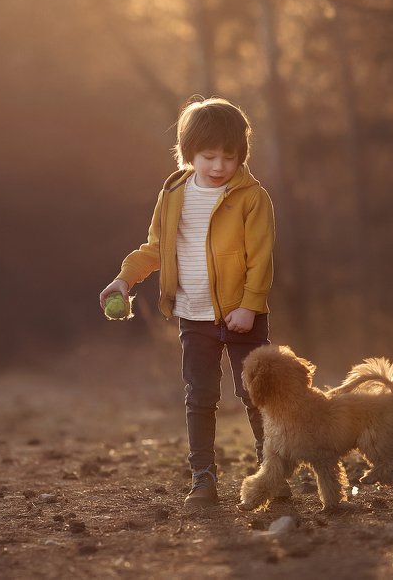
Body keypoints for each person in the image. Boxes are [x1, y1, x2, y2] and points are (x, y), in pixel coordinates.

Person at [99, 97, 287, 508]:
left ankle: (271, 471)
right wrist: (123, 280)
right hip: (193, 315)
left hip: (242, 316)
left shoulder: (253, 197)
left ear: (241, 155)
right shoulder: (173, 194)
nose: (219, 165)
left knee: (255, 394)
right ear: (189, 154)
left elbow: (260, 257)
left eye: (229, 156)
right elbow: (155, 249)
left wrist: (250, 305)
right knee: (199, 396)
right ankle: (203, 477)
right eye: (209, 156)